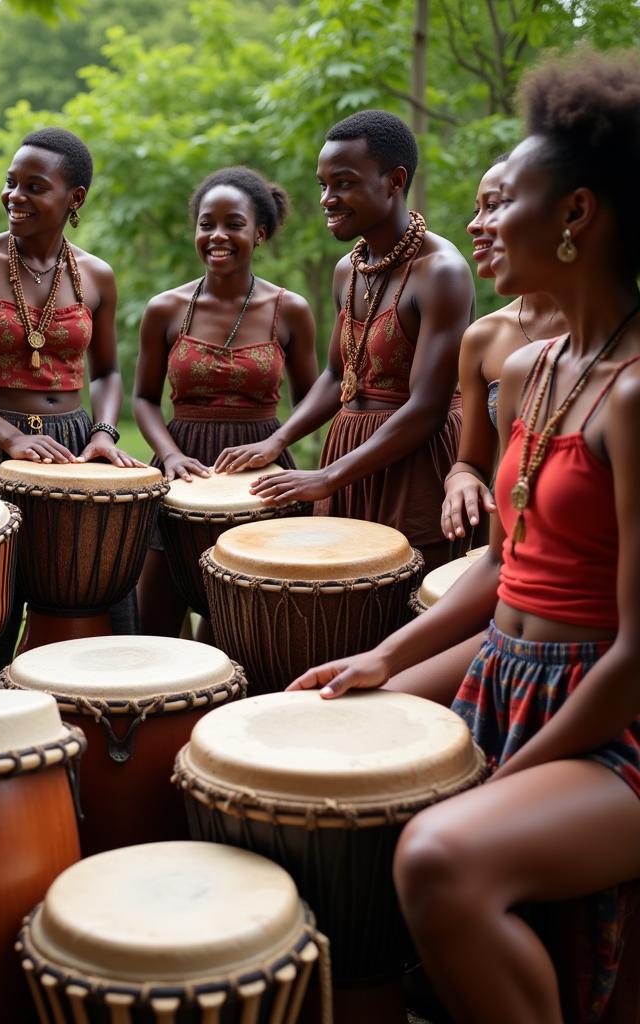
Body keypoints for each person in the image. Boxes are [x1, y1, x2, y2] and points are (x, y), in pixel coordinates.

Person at [292, 49, 640, 1024]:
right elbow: (503, 558)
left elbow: (634, 657)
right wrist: (381, 655)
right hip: (504, 665)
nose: (479, 222)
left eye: (504, 202)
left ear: (576, 217)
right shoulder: (531, 369)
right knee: (347, 739)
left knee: (439, 847)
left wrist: (504, 777)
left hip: (611, 720)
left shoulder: (635, 394)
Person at [0, 126, 144, 669]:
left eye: (33, 186)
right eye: (11, 182)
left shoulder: (96, 275)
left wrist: (102, 432)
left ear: (75, 199)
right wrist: (10, 438)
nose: (14, 197)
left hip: (72, 449)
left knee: (90, 594)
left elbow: (108, 372)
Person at [216, 110, 474, 573]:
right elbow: (338, 375)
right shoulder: (349, 269)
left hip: (413, 461)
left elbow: (427, 407)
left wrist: (329, 476)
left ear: (394, 181)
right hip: (350, 452)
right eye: (323, 185)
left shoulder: (442, 272)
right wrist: (278, 440)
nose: (327, 199)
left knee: (402, 606)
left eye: (344, 183)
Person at [133, 166, 317, 636]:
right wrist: (170, 455)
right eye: (206, 223)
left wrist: (276, 443)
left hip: (259, 477)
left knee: (241, 629)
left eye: (233, 224)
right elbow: (143, 400)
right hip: (180, 474)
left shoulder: (289, 309)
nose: (217, 235)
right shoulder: (165, 309)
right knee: (153, 622)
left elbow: (315, 396)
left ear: (259, 233)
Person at [441, 155, 567, 544]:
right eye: (476, 209)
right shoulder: (484, 337)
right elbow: (471, 461)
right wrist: (460, 482)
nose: (475, 224)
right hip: (507, 538)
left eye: (493, 206)